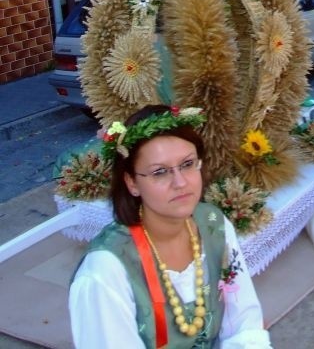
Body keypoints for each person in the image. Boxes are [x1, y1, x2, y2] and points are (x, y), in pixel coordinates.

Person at [69, 105, 271, 348]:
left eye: (187, 164)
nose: (180, 182)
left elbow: (243, 322)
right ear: (132, 182)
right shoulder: (104, 272)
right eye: (160, 172)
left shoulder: (213, 224)